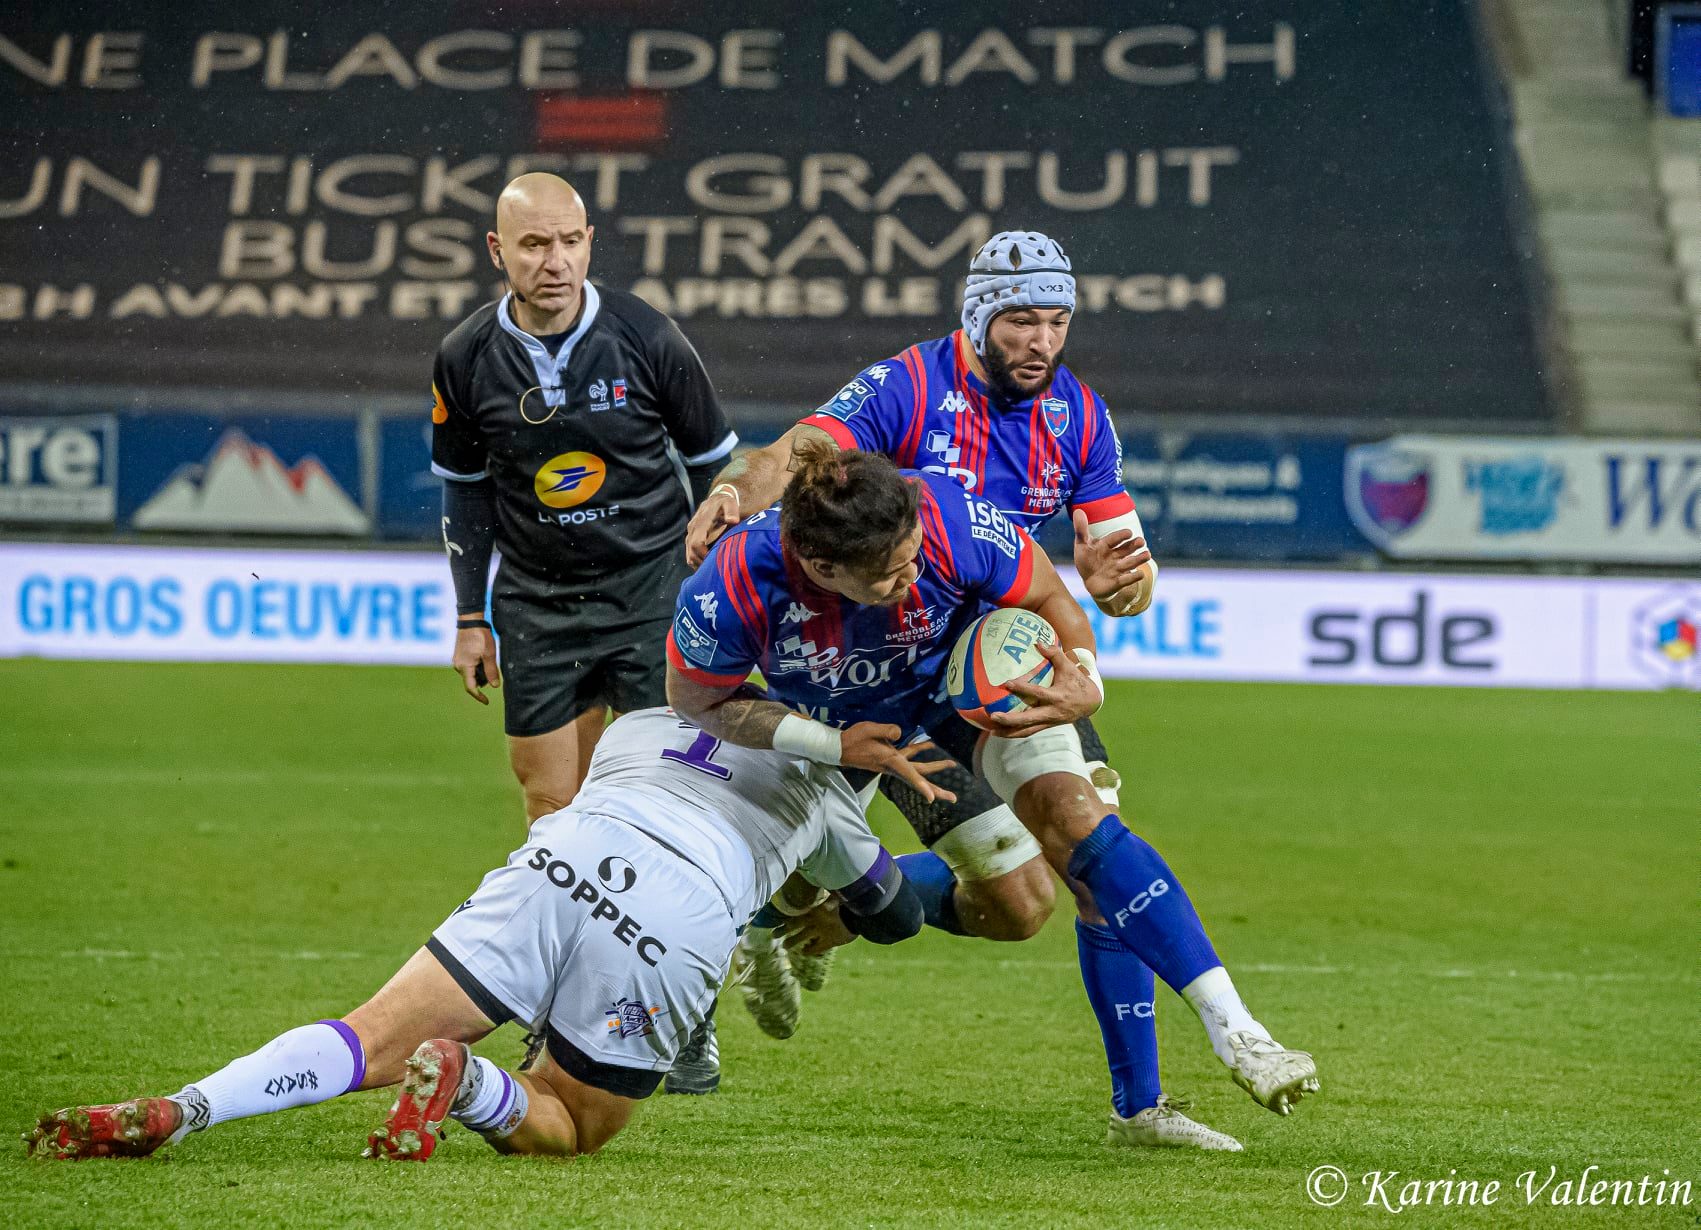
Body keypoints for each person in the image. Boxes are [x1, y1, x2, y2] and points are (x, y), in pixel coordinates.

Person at [683, 232, 1225, 1147]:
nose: (1040, 341)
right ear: (977, 317)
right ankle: (735, 960)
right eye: (1020, 321)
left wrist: (1119, 589)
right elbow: (796, 451)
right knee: (779, 862)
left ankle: (1139, 1110)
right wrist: (737, 490)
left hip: (994, 664)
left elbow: (1123, 579)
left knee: (1058, 879)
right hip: (871, 667)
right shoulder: (906, 387)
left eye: (1055, 322)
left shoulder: (1081, 418)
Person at [668, 447, 1318, 1133]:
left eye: (915, 558)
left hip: (964, 690)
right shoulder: (733, 583)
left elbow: (1048, 596)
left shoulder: (946, 515)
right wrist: (832, 745)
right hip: (836, 727)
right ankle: (769, 928)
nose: (913, 578)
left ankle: (1238, 1034)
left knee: (1056, 849)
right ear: (823, 568)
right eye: (891, 574)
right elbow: (695, 700)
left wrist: (1085, 679)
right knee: (798, 890)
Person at [25, 709, 927, 1162]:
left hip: (568, 854)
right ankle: (468, 1082)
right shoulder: (823, 787)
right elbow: (895, 915)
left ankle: (187, 1108)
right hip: (677, 913)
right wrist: (820, 901)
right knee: (573, 1121)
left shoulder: (645, 720)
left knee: (365, 1036)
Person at [433, 172, 737, 1091]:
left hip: (651, 595)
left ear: (590, 241)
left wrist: (727, 593)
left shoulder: (648, 336)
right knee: (551, 815)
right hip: (536, 605)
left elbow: (718, 469)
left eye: (569, 241)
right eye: (534, 244)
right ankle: (563, 1011)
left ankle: (686, 1018)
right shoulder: (464, 356)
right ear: (499, 252)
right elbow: (466, 493)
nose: (554, 260)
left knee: (667, 812)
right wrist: (471, 616)